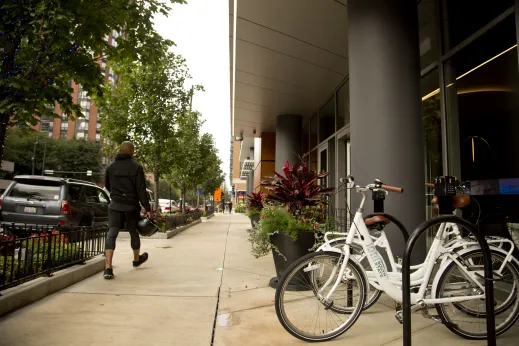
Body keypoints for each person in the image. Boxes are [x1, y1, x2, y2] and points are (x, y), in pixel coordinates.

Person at [103, 141, 153, 280]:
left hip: (115, 205)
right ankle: (136, 260)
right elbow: (140, 189)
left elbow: (107, 185)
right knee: (133, 232)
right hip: (131, 206)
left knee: (112, 233)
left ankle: (108, 268)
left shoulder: (110, 167)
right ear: (131, 151)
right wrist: (147, 208)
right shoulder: (136, 167)